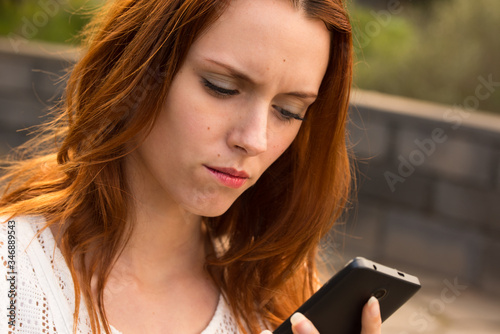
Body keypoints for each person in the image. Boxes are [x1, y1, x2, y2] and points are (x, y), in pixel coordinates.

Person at [0, 0, 382, 333]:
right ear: (136, 68)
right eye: (221, 87)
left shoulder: (280, 297)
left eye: (288, 111)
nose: (255, 139)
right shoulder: (14, 275)